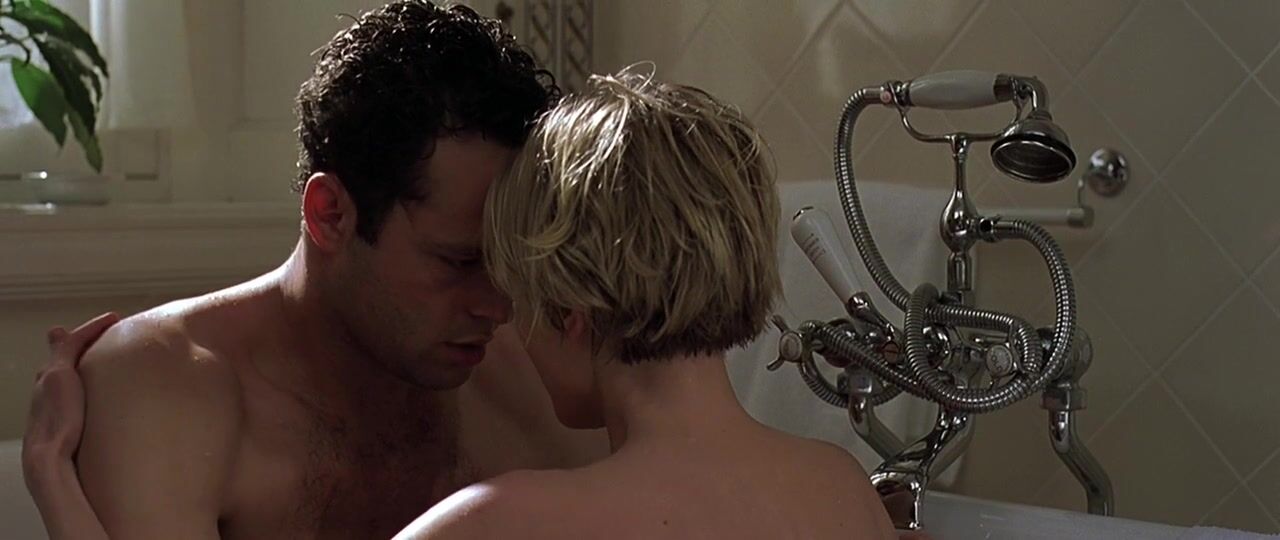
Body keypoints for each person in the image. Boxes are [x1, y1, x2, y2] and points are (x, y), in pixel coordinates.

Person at [21, 2, 605, 538]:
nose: (498, 307)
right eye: (458, 261)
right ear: (330, 215)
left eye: (510, 264)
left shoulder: (531, 378)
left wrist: (52, 481)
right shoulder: (165, 386)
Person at [395, 69, 898, 539]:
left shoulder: (499, 521)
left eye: (517, 298)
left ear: (568, 311)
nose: (509, 322)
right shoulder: (844, 488)